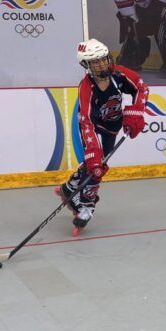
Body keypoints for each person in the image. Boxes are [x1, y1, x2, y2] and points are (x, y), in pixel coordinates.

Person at [55, 39, 147, 231]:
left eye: (103, 59)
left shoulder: (119, 74)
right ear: (86, 65)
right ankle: (87, 207)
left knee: (95, 163)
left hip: (113, 126)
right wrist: (93, 150)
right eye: (95, 61)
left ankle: (70, 186)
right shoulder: (86, 87)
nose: (102, 64)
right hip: (93, 127)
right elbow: (86, 120)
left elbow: (141, 87)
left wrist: (137, 111)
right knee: (97, 166)